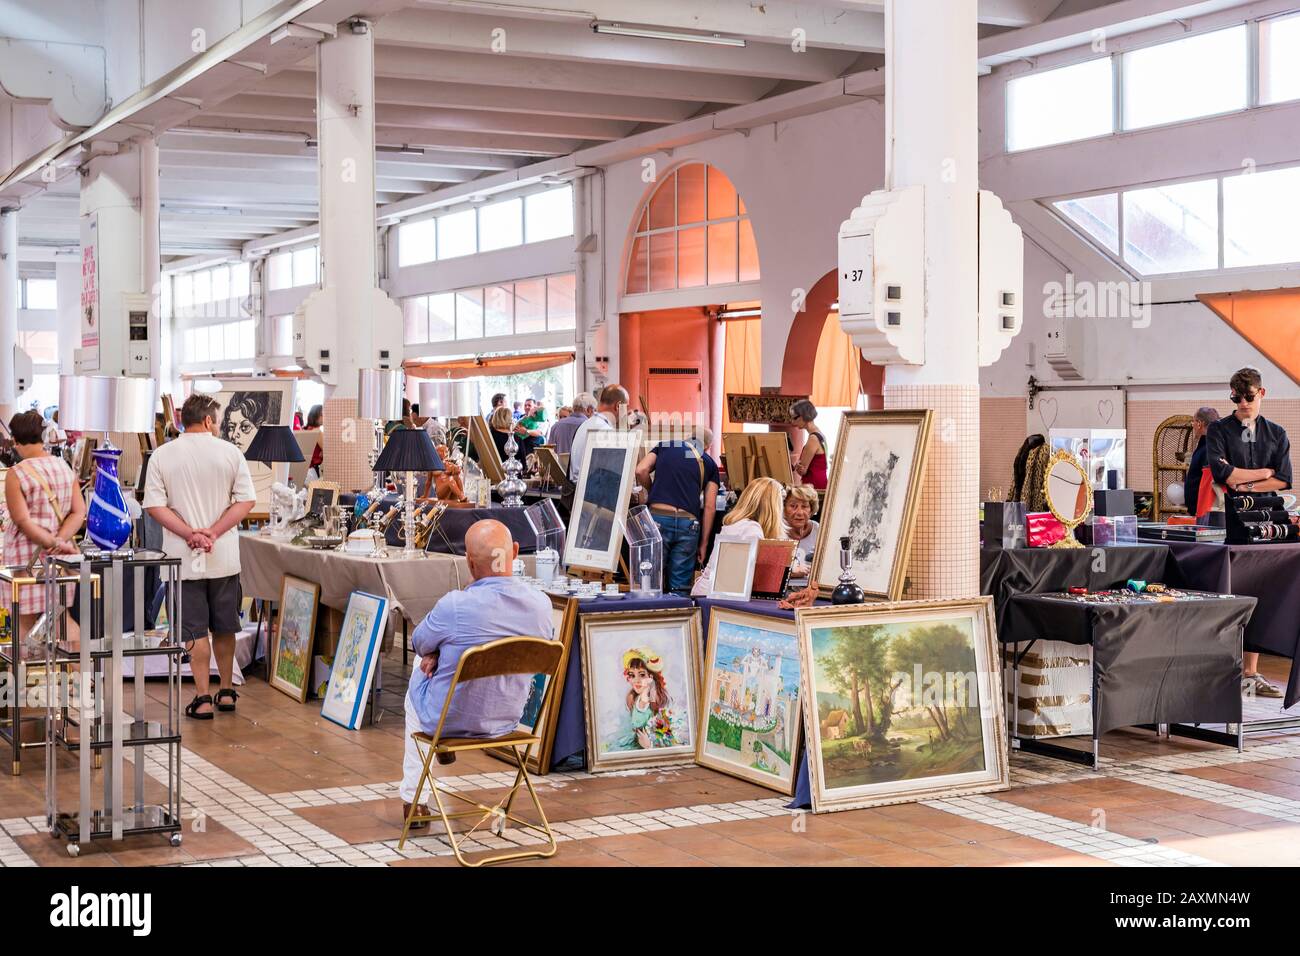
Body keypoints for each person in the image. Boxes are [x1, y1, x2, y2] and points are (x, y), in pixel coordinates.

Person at [400, 519, 553, 825]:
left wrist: (436, 653)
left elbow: (418, 643)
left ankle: (414, 800)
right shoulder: (541, 604)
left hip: (449, 717)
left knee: (420, 666)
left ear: (469, 563)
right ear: (516, 552)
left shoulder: (455, 606)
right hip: (507, 721)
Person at [144, 393, 256, 719]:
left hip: (182, 559)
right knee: (224, 628)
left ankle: (203, 698)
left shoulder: (162, 456)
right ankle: (226, 691)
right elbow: (245, 501)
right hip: (223, 556)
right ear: (209, 421)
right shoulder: (230, 452)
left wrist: (189, 534)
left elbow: (154, 506)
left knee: (193, 631)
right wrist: (214, 532)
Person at [1204, 369, 1292, 699]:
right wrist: (1262, 474)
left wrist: (1246, 483)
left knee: (1264, 596)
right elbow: (1221, 472)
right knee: (1234, 596)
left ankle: (1251, 672)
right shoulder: (1218, 430)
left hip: (1272, 527)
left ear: (1262, 393)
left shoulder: (1277, 433)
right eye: (1236, 398)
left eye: (1248, 397)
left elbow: (1283, 479)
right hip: (1235, 526)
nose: (1242, 403)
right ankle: (1229, 670)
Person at [3, 410, 86, 643]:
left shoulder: (16, 474)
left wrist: (50, 542)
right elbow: (78, 511)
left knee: (25, 621)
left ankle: (27, 675)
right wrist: (60, 541)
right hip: (61, 557)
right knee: (60, 618)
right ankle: (83, 675)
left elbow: (22, 521)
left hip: (26, 558)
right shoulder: (63, 467)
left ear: (16, 440)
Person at [635, 426, 720, 595]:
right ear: (708, 446)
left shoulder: (665, 446)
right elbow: (710, 507)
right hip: (689, 523)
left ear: (687, 437)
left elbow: (640, 470)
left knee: (649, 580)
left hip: (658, 518)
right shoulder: (709, 463)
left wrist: (652, 492)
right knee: (679, 587)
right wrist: (704, 544)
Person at [691, 477, 787, 597]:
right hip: (718, 596)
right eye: (781, 502)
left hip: (709, 591)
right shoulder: (752, 530)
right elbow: (754, 575)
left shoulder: (738, 523)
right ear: (773, 506)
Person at [569, 384, 627, 482]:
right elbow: (615, 473)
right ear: (618, 406)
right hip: (592, 492)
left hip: (580, 490)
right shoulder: (605, 430)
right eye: (626, 406)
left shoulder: (586, 424)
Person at [1184, 406, 1218, 512]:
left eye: (1193, 421)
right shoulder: (1207, 444)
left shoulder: (1209, 447)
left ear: (1199, 424)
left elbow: (1208, 481)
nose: (1192, 425)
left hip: (1204, 509)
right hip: (1200, 507)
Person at [789, 399, 829, 490]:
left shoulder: (813, 439)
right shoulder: (819, 434)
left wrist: (797, 466)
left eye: (795, 418)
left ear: (804, 416)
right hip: (821, 481)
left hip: (813, 485)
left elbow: (802, 471)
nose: (792, 422)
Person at [784, 483, 821, 573]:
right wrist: (790, 572)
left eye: (804, 506)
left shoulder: (818, 530)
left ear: (811, 510)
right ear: (784, 509)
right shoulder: (777, 531)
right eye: (793, 506)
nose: (799, 512)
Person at [549, 392, 593, 459]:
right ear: (588, 410)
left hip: (559, 468)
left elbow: (550, 453)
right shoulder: (590, 426)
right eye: (594, 410)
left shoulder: (555, 426)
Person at [303, 404, 324, 477]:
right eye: (322, 415)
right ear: (315, 416)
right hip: (313, 470)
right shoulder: (317, 432)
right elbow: (328, 451)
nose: (324, 417)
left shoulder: (305, 429)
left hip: (305, 469)